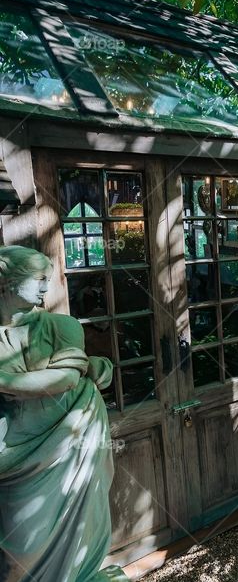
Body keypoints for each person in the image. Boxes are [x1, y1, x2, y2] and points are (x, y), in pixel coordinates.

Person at [0, 246, 124, 582]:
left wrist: (5, 380)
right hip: (14, 451)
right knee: (21, 540)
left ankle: (83, 575)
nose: (46, 288)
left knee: (83, 518)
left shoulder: (61, 327)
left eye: (48, 279)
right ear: (6, 280)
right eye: (38, 279)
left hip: (73, 432)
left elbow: (65, 379)